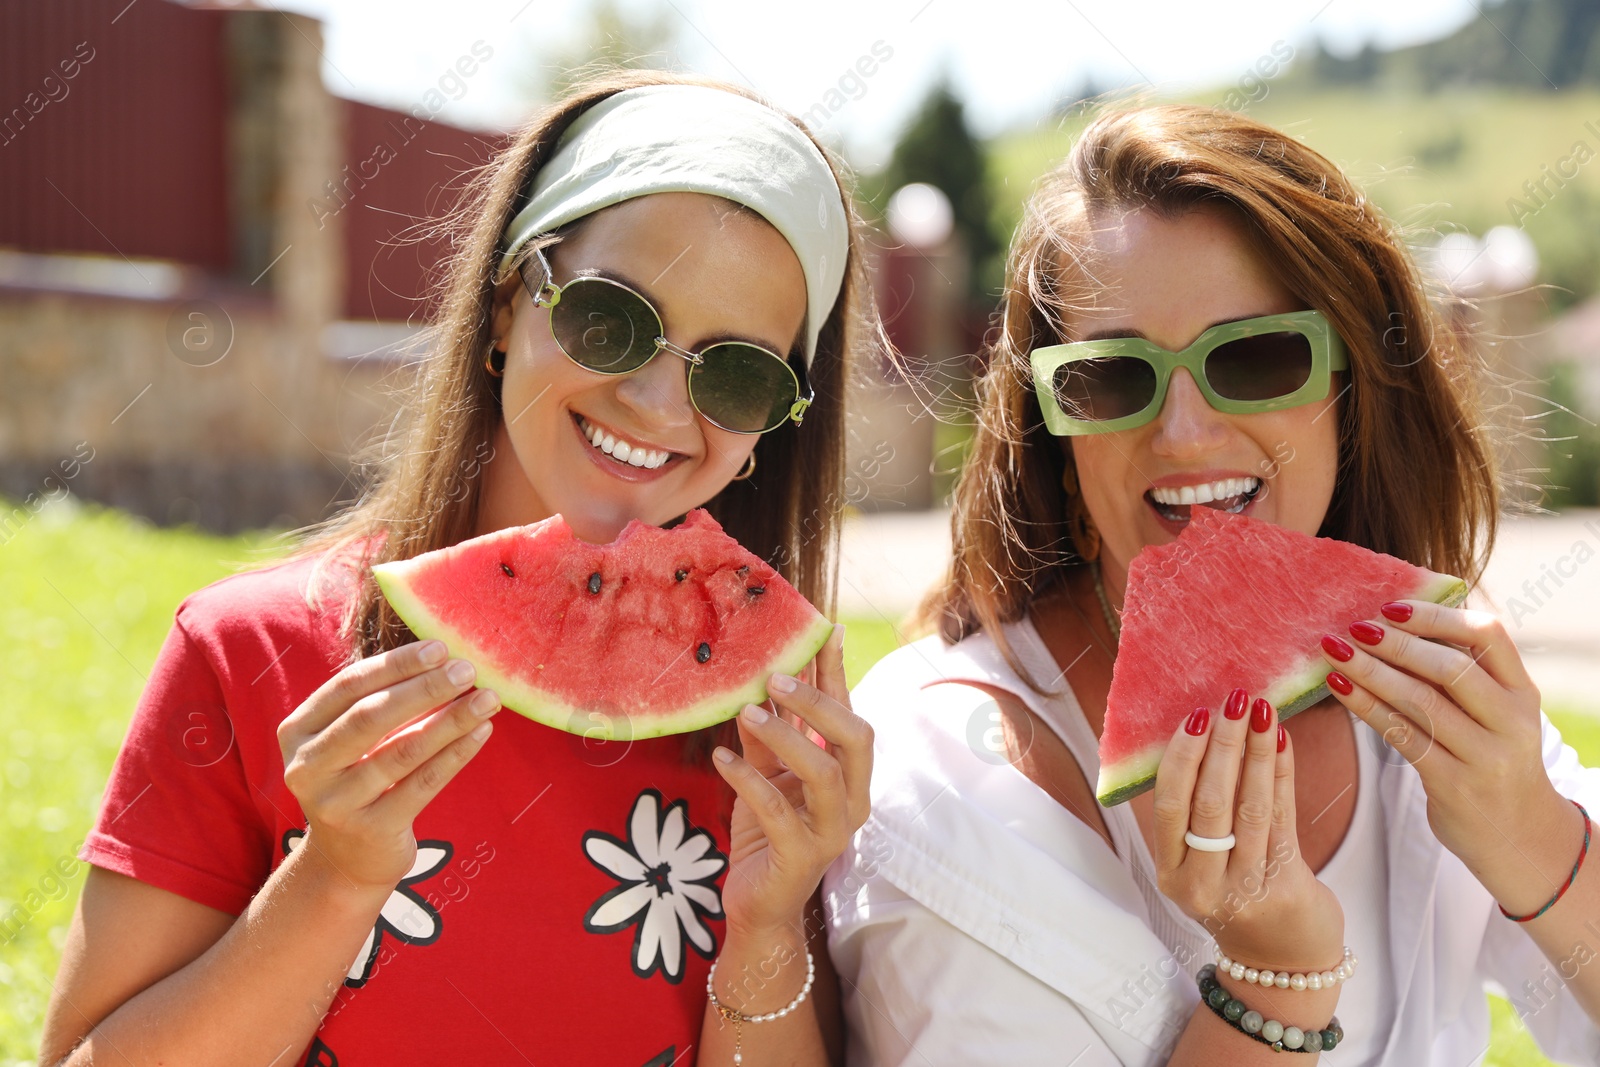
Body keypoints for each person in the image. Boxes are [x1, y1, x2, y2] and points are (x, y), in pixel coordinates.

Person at [41, 72, 876, 1067]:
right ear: (505, 305)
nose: (657, 401)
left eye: (738, 371)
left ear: (772, 428)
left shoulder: (778, 737)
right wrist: (333, 881)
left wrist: (768, 924)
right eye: (611, 320)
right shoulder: (249, 653)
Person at [825, 104, 1600, 1065]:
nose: (1185, 431)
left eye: (1257, 356)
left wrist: (1533, 839)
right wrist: (1270, 979)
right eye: (1111, 377)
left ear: (1352, 392)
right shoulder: (939, 776)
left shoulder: (1427, 684)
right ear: (1055, 430)